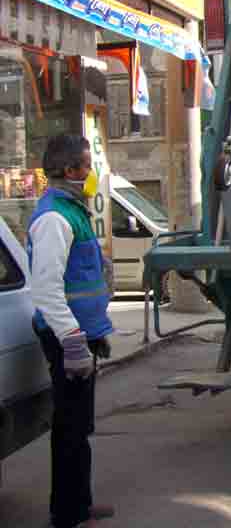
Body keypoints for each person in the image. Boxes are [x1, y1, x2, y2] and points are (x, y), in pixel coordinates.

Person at [27, 134, 115, 527]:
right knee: (69, 429)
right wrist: (73, 340)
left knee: (80, 428)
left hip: (80, 336)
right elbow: (46, 289)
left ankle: (80, 503)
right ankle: (66, 513)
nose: (91, 172)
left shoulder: (72, 210)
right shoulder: (53, 218)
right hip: (67, 341)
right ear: (69, 171)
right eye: (86, 165)